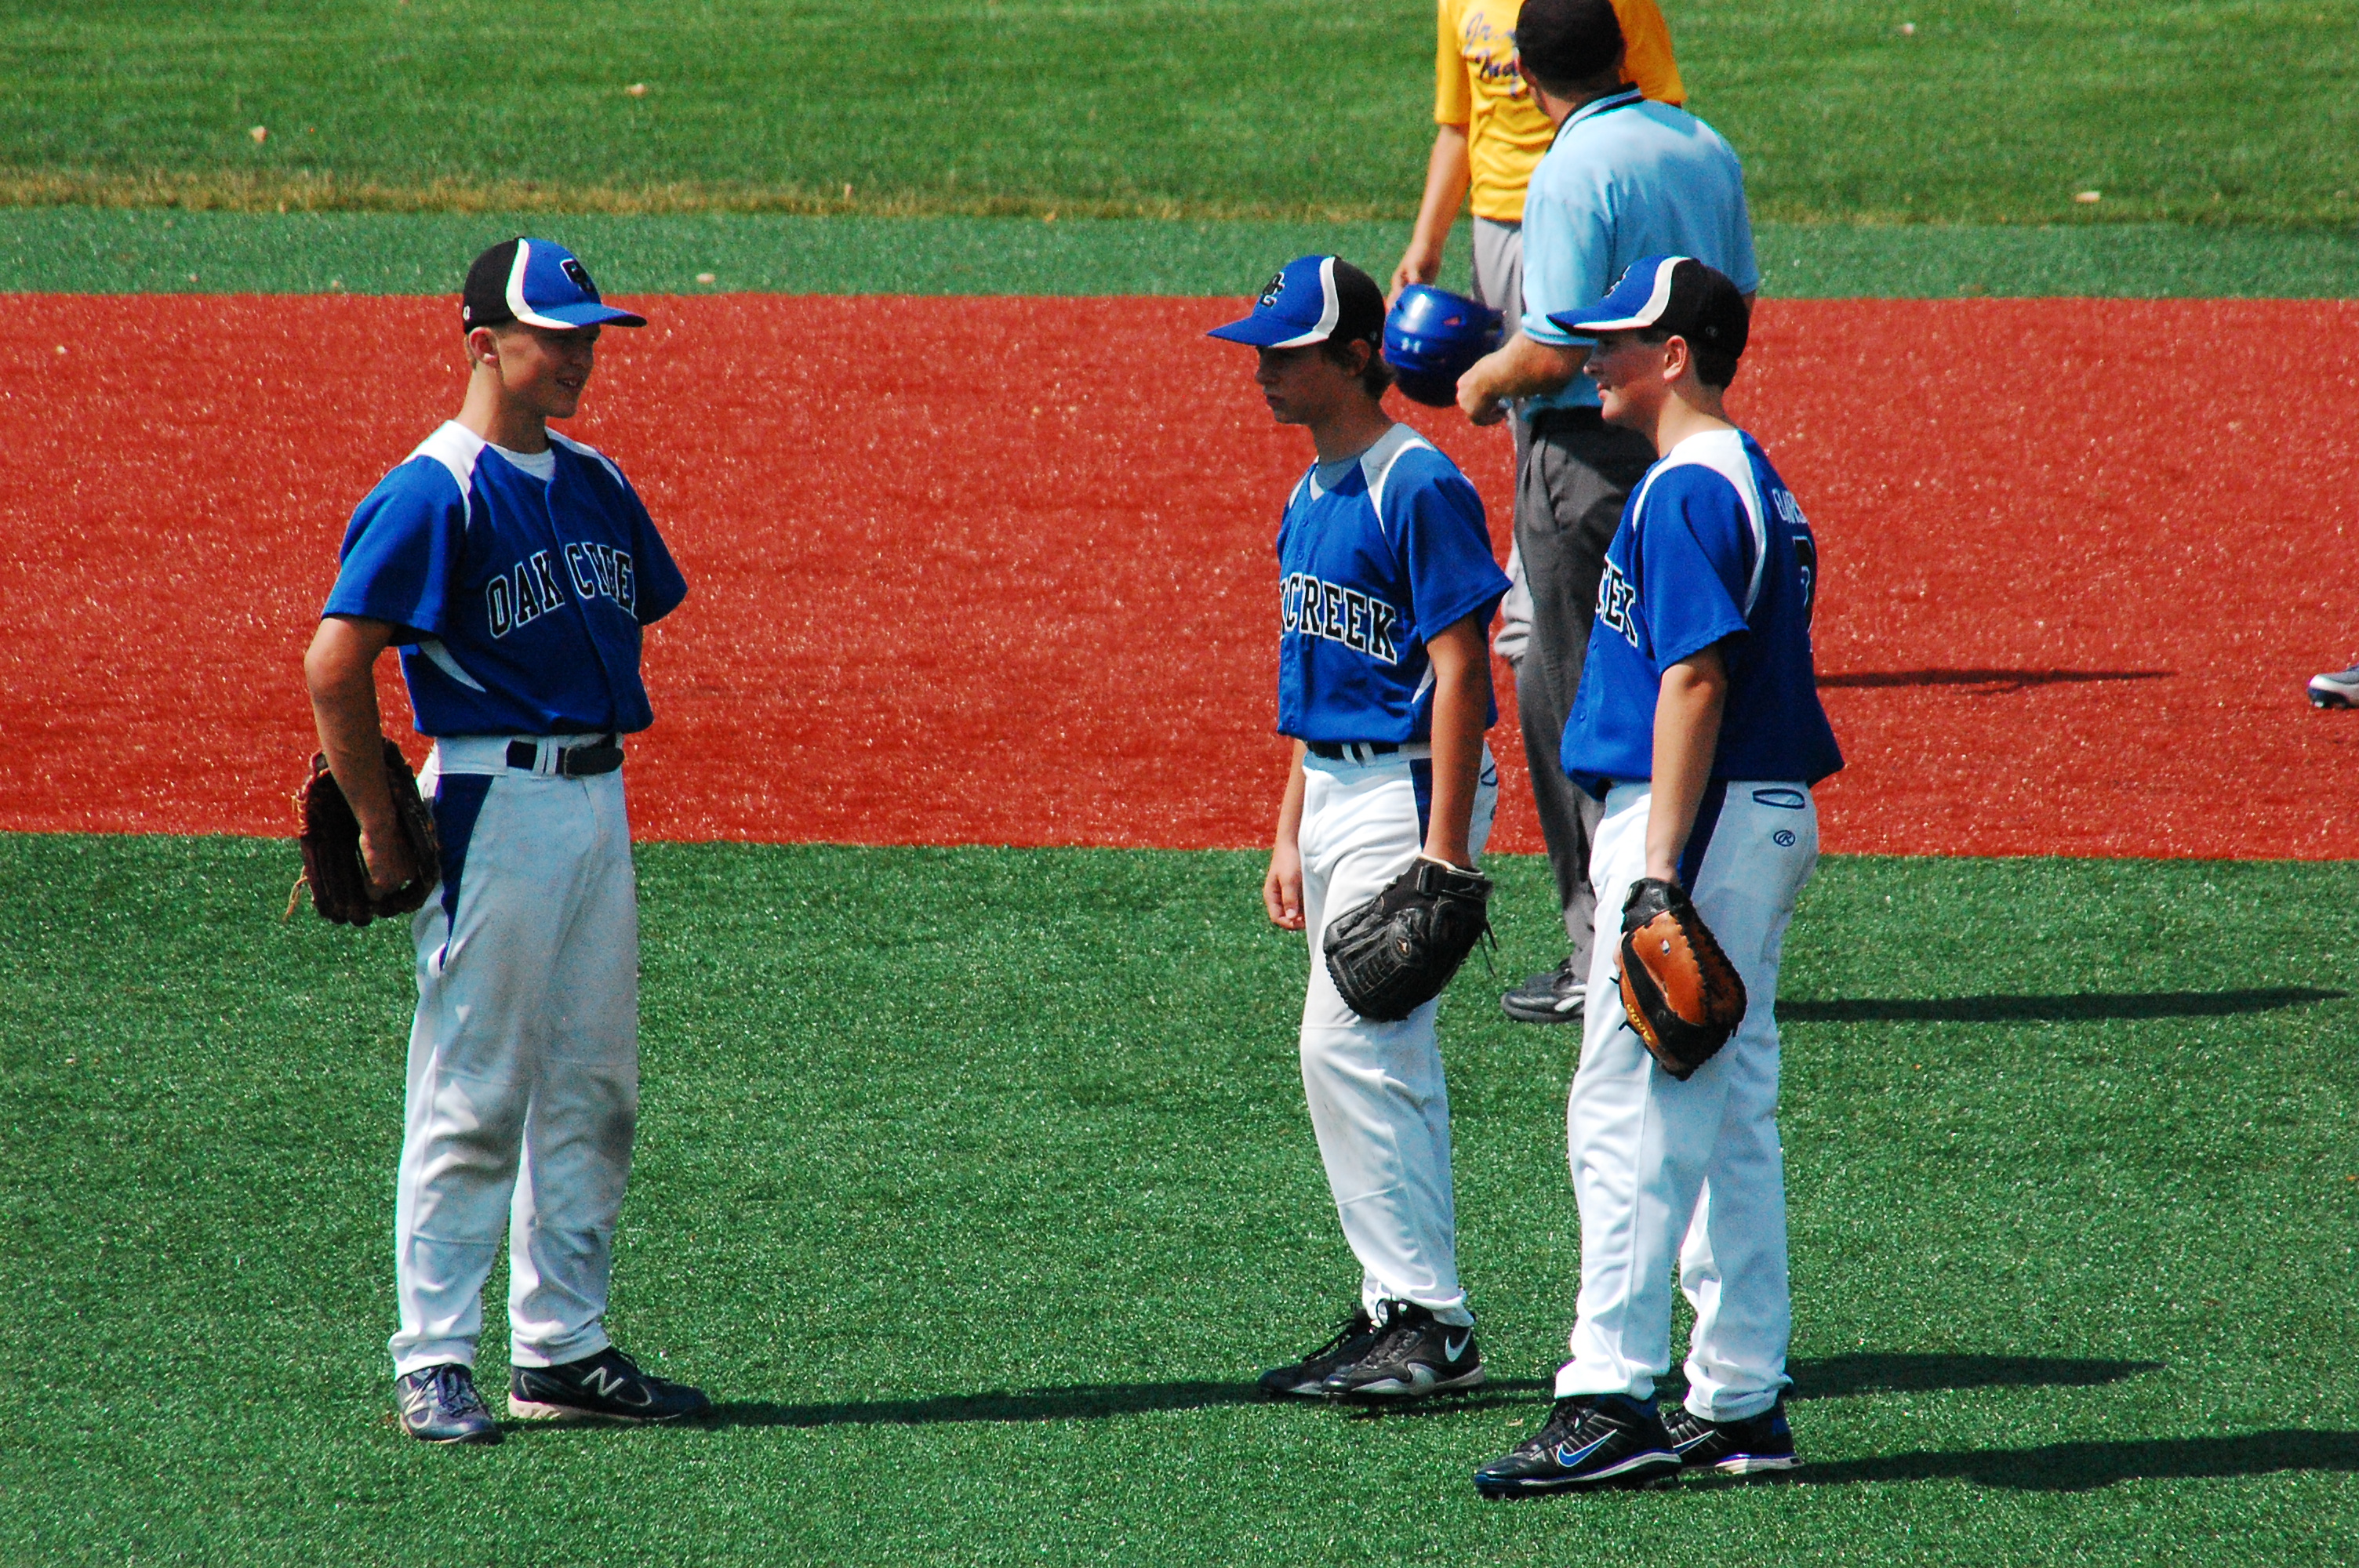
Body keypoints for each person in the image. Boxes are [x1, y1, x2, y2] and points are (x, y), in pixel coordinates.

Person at [304, 238, 708, 1445]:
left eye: (590, 336)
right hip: (492, 803)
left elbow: (628, 612)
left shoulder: (596, 480)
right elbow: (334, 663)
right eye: (556, 336)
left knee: (594, 1087)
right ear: (484, 342)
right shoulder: (435, 490)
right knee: (474, 1091)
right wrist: (378, 820)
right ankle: (432, 1357)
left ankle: (563, 1347)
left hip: (596, 805)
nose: (581, 356)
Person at [1470, 256, 1841, 1497]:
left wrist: (1656, 876)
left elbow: (1695, 678)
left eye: (1617, 341)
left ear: (1675, 354)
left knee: (1626, 1107)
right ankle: (1739, 1402)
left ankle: (1608, 1396)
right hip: (1755, 812)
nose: (1593, 359)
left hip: (1698, 818)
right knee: (1728, 1116)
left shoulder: (1689, 487)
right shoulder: (1751, 478)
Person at [1209, 255, 1512, 1402]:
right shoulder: (1309, 493)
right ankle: (1401, 1309)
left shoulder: (1414, 483)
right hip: (1337, 791)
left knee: (1354, 1046)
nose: (1264, 369)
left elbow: (1462, 670)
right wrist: (1288, 828)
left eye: (1288, 352)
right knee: (1367, 1054)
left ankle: (1429, 1321)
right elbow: (1315, 679)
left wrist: (1447, 851)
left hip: (1410, 788)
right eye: (1261, 349)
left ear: (1355, 356)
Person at [1453, 0, 1757, 1030]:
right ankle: (1692, 925)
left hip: (1583, 463)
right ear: (1622, 50)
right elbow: (1738, 307)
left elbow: (1551, 352)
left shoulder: (1569, 169)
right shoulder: (1704, 145)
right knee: (1682, 677)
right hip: (1695, 443)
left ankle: (1606, 953)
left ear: (1527, 75)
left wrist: (1481, 382)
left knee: (1580, 693)